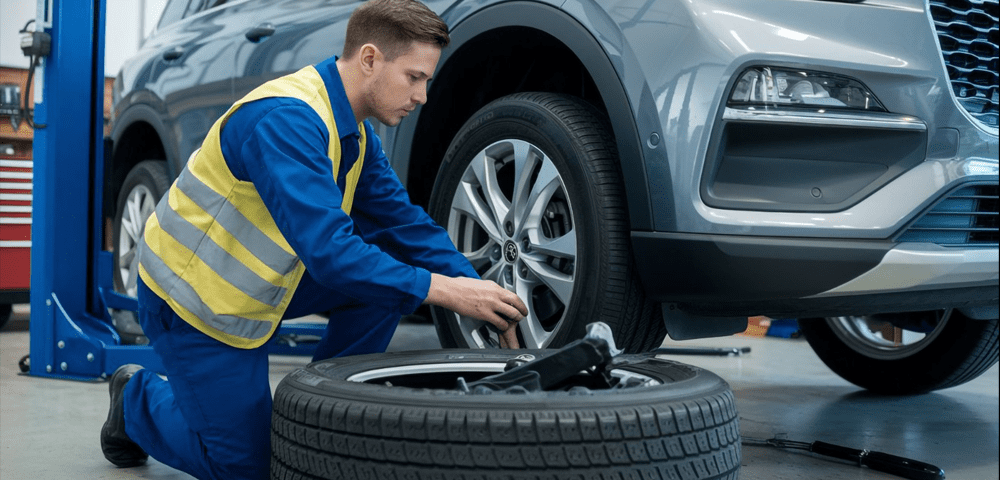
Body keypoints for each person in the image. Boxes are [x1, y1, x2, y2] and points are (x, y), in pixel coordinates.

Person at [99, 1, 528, 478]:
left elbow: (404, 224)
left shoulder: (355, 134)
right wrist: (446, 292)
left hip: (259, 287)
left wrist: (481, 294)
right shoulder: (287, 120)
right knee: (250, 468)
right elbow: (330, 256)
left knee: (389, 278)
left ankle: (321, 408)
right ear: (369, 59)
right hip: (195, 301)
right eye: (414, 77)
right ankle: (134, 401)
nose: (423, 95)